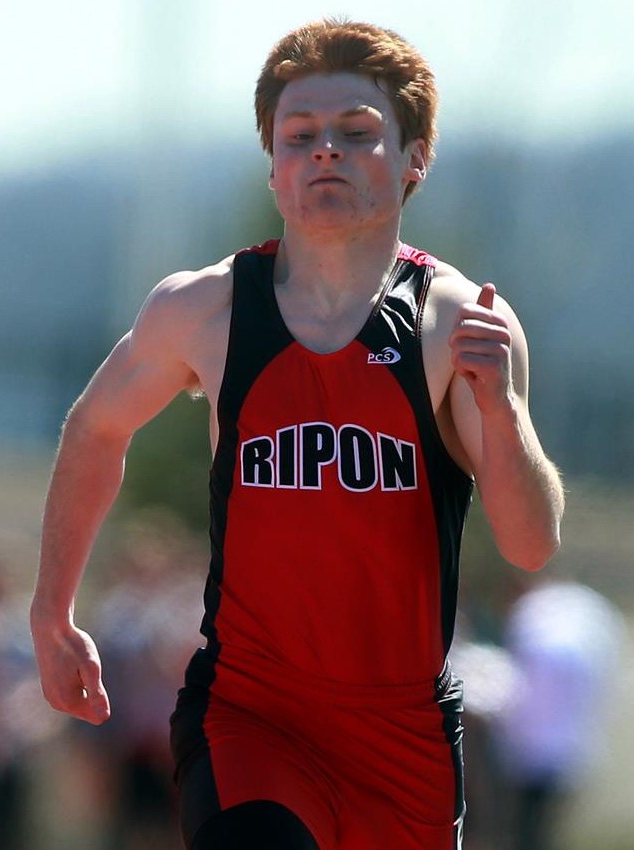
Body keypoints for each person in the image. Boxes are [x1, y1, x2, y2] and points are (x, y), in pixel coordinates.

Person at [30, 18, 564, 850]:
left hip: (402, 738)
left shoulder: (457, 326)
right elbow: (96, 430)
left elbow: (532, 545)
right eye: (301, 136)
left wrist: (501, 410)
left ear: (414, 157)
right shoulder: (201, 310)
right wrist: (52, 611)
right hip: (251, 714)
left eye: (357, 134)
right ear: (274, 165)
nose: (326, 152)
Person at [496, 576, 625, 850]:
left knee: (527, 828)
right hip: (564, 748)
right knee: (537, 828)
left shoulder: (537, 618)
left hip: (536, 749)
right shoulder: (576, 618)